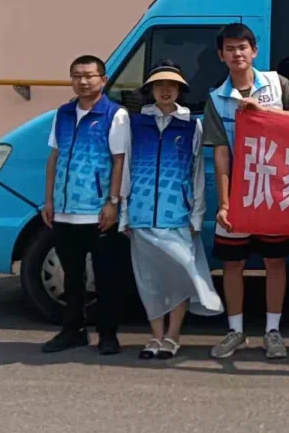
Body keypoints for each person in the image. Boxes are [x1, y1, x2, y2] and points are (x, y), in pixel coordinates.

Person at [201, 23, 289, 361]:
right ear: (221, 55)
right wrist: (224, 203)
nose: (237, 53)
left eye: (242, 47)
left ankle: (272, 332)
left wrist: (265, 113)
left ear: (254, 51)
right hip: (239, 193)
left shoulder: (277, 84)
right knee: (233, 264)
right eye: (230, 48)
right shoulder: (217, 98)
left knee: (274, 261)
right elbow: (221, 153)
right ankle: (235, 331)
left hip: (273, 190)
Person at [121, 61, 223, 359]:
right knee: (149, 280)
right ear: (151, 90)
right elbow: (125, 169)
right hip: (141, 215)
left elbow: (197, 174)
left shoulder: (191, 125)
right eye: (159, 85)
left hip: (176, 214)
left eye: (172, 85)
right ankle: (155, 337)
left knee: (179, 275)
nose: (165, 90)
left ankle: (173, 336)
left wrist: (197, 215)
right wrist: (124, 213)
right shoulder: (135, 124)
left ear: (180, 90)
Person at [40, 55, 131, 356]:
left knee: (106, 278)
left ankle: (108, 334)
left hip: (98, 211)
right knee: (72, 277)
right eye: (77, 75)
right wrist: (49, 200)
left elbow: (119, 161)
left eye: (89, 75)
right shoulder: (64, 113)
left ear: (103, 80)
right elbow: (54, 157)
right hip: (65, 211)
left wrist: (113, 203)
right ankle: (73, 331)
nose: (83, 81)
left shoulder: (115, 115)